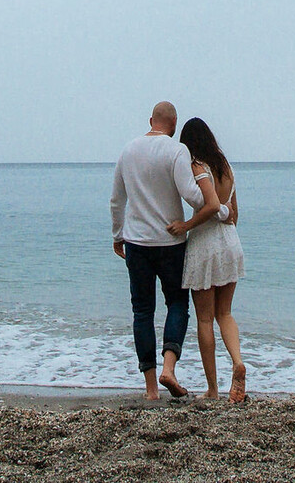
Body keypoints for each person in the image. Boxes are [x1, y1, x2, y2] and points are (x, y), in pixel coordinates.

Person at [110, 101, 206, 399]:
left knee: (142, 311)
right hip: (170, 242)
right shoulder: (177, 150)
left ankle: (151, 389)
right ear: (174, 125)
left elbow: (117, 200)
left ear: (151, 119)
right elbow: (193, 196)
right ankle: (169, 368)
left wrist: (117, 235)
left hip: (136, 242)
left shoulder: (128, 150)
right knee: (177, 304)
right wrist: (214, 195)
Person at [168, 116, 247, 402]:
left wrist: (185, 226)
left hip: (205, 245)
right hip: (230, 243)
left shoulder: (198, 166)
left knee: (204, 319)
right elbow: (233, 214)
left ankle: (213, 389)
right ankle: (237, 362)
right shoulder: (226, 167)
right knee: (225, 313)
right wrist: (222, 212)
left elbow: (211, 206)